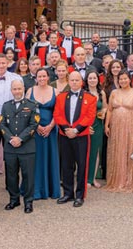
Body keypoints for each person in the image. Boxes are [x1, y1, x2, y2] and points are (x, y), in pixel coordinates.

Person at [53, 71, 97, 207]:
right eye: (72, 80)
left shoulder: (90, 98)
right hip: (65, 135)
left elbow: (89, 117)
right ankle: (67, 193)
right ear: (68, 81)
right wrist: (67, 129)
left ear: (81, 81)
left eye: (77, 80)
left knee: (82, 165)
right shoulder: (61, 97)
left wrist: (76, 130)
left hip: (81, 136)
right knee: (66, 165)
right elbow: (57, 114)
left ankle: (80, 195)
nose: (74, 82)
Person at [0, 80, 39, 213]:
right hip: (10, 147)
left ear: (23, 89)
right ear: (11, 90)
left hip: (27, 147)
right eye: (14, 89)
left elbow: (34, 125)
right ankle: (13, 200)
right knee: (11, 175)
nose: (17, 91)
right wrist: (11, 139)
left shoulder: (32, 105)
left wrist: (20, 138)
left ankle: (28, 202)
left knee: (28, 176)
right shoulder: (6, 106)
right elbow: (3, 124)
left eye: (19, 89)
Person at [104, 71, 133, 192]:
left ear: (129, 79)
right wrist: (107, 125)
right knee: (116, 149)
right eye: (121, 79)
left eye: (125, 79)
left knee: (129, 149)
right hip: (116, 126)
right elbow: (109, 110)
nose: (123, 81)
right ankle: (116, 179)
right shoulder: (114, 93)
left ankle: (129, 180)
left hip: (130, 126)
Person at [27, 68, 60, 200]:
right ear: (36, 78)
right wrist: (36, 126)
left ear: (48, 77)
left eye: (43, 76)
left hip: (50, 130)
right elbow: (27, 110)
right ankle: (36, 189)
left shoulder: (55, 92)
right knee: (36, 159)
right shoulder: (30, 91)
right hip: (35, 130)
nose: (41, 79)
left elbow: (58, 111)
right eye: (39, 76)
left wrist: (51, 126)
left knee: (50, 156)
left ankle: (51, 189)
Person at [84, 71, 107, 188]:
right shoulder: (83, 93)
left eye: (94, 78)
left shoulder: (101, 93)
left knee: (96, 152)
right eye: (90, 78)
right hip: (86, 124)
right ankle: (85, 179)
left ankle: (93, 178)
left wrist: (103, 112)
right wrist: (85, 126)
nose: (92, 80)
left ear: (98, 79)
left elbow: (105, 107)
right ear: (86, 80)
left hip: (98, 124)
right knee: (86, 152)